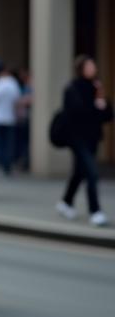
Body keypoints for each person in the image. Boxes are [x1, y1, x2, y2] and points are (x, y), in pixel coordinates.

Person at [56, 54, 112, 227]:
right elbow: (75, 113)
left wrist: (101, 101)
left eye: (93, 66)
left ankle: (65, 202)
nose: (92, 69)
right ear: (81, 69)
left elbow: (108, 115)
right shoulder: (72, 88)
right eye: (88, 66)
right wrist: (95, 105)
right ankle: (95, 211)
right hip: (77, 138)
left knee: (80, 172)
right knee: (92, 173)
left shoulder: (97, 87)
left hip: (92, 137)